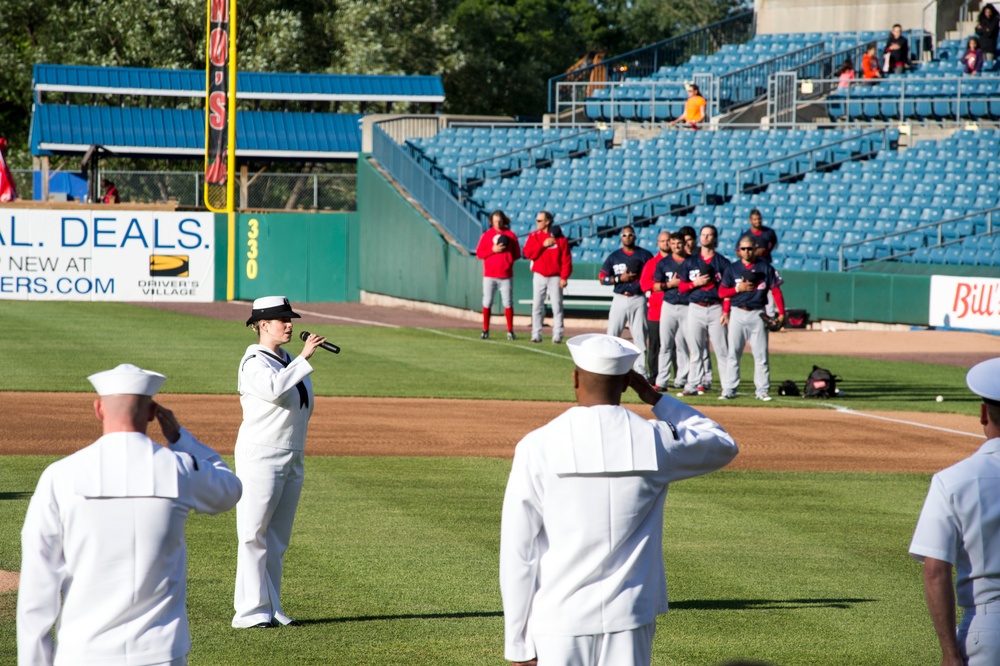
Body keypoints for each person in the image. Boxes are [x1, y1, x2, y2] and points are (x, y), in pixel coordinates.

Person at [500, 333, 738, 666]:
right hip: (630, 617)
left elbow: (519, 550)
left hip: (558, 619)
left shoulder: (536, 446)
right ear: (627, 382)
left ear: (575, 378)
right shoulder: (657, 440)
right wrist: (656, 398)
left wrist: (518, 644)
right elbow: (721, 442)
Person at [17, 364, 242, 666]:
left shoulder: (60, 476)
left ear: (99, 409)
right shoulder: (181, 468)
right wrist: (180, 437)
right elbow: (230, 490)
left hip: (82, 652)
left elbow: (38, 586)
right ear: (151, 412)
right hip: (161, 653)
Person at [233, 296, 327, 629]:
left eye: (290, 319)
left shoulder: (285, 357)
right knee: (253, 533)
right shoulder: (253, 362)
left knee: (277, 538)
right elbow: (274, 390)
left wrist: (298, 360)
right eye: (281, 319)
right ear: (262, 325)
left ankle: (271, 606)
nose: (289, 324)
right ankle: (249, 612)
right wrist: (304, 358)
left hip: (292, 453)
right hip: (261, 455)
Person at [910, 357, 1000, 666]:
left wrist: (949, 652)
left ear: (983, 413)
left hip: (988, 628)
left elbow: (935, 569)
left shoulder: (953, 480)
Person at [717, 235, 787, 401]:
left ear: (755, 249)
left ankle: (762, 390)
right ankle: (729, 389)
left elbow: (776, 291)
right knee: (733, 353)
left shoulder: (765, 267)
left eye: (749, 248)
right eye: (743, 249)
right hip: (737, 312)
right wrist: (737, 289)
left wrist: (782, 313)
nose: (747, 252)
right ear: (738, 250)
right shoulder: (732, 269)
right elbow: (721, 292)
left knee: (761, 355)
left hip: (757, 313)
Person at [677, 225, 732, 397]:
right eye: (703, 235)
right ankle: (693, 384)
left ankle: (728, 388)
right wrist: (696, 283)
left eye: (709, 235)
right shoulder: (690, 261)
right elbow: (681, 287)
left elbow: (728, 288)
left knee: (722, 350)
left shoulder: (722, 262)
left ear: (715, 239)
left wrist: (726, 311)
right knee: (695, 349)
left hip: (716, 307)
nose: (706, 238)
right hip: (695, 307)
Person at [599, 225, 654, 375]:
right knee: (612, 335)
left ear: (635, 237)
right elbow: (602, 278)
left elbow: (653, 275)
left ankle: (641, 370)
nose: (627, 237)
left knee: (640, 336)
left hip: (638, 298)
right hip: (620, 297)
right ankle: (609, 368)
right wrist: (619, 278)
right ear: (621, 238)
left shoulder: (645, 255)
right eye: (624, 235)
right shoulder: (615, 257)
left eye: (630, 235)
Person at [523, 210, 572, 344]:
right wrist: (542, 245)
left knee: (557, 306)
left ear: (547, 222)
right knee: (537, 305)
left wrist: (564, 277)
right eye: (537, 220)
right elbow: (528, 253)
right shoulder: (534, 236)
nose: (537, 223)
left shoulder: (560, 238)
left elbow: (566, 259)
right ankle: (536, 334)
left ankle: (557, 335)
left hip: (555, 276)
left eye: (539, 221)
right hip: (539, 274)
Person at [652, 231, 691, 392]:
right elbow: (654, 286)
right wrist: (670, 284)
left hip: (687, 305)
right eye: (673, 243)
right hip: (668, 304)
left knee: (683, 344)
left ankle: (682, 378)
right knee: (666, 344)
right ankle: (661, 381)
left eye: (678, 243)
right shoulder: (664, 263)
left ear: (684, 244)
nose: (675, 246)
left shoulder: (691, 261)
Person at [476, 210, 522, 340]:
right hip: (490, 274)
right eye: (495, 221)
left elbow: (516, 254)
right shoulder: (487, 235)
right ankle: (485, 330)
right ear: (491, 221)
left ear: (504, 220)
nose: (498, 223)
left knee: (508, 302)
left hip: (506, 274)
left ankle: (510, 330)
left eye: (500, 220)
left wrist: (506, 260)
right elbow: (479, 253)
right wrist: (492, 250)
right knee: (487, 301)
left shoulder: (511, 235)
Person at [639, 231, 671, 383]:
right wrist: (662, 286)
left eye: (668, 240)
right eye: (662, 241)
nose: (665, 243)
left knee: (677, 346)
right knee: (654, 346)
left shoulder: (679, 262)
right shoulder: (652, 263)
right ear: (658, 243)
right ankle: (654, 376)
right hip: (656, 310)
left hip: (674, 308)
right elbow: (644, 284)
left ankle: (678, 377)